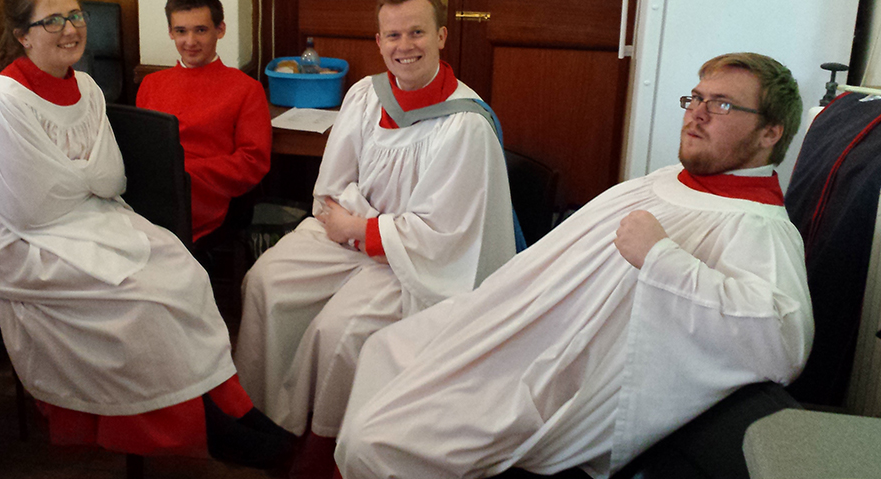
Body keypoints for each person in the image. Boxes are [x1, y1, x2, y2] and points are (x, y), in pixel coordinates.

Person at [335, 52, 814, 479]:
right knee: (383, 349)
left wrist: (662, 259)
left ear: (770, 132)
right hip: (518, 328)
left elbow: (782, 342)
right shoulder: (670, 179)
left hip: (556, 376)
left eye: (723, 104)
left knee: (380, 441)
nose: (697, 114)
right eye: (696, 98)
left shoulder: (757, 227)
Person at [0, 0, 292, 468]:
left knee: (182, 269)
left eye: (75, 15)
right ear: (23, 34)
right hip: (20, 238)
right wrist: (85, 177)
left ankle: (224, 405)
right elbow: (32, 206)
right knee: (140, 299)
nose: (70, 28)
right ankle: (195, 425)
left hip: (89, 216)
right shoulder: (0, 100)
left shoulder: (86, 88)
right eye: (52, 20)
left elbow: (110, 178)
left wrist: (76, 177)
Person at [234, 0, 518, 475]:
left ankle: (321, 450)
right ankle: (263, 419)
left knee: (338, 330)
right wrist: (347, 223)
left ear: (442, 37)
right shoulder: (367, 94)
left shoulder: (464, 126)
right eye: (392, 36)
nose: (404, 47)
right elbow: (334, 182)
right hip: (352, 232)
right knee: (265, 281)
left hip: (414, 260)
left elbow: (444, 234)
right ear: (378, 41)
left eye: (417, 33)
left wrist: (363, 231)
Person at [136, 0, 271, 245]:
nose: (190, 42)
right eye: (181, 31)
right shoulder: (151, 84)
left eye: (201, 30)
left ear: (220, 30)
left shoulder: (246, 89)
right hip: (152, 194)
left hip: (206, 196)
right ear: (170, 33)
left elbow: (253, 161)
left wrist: (185, 175)